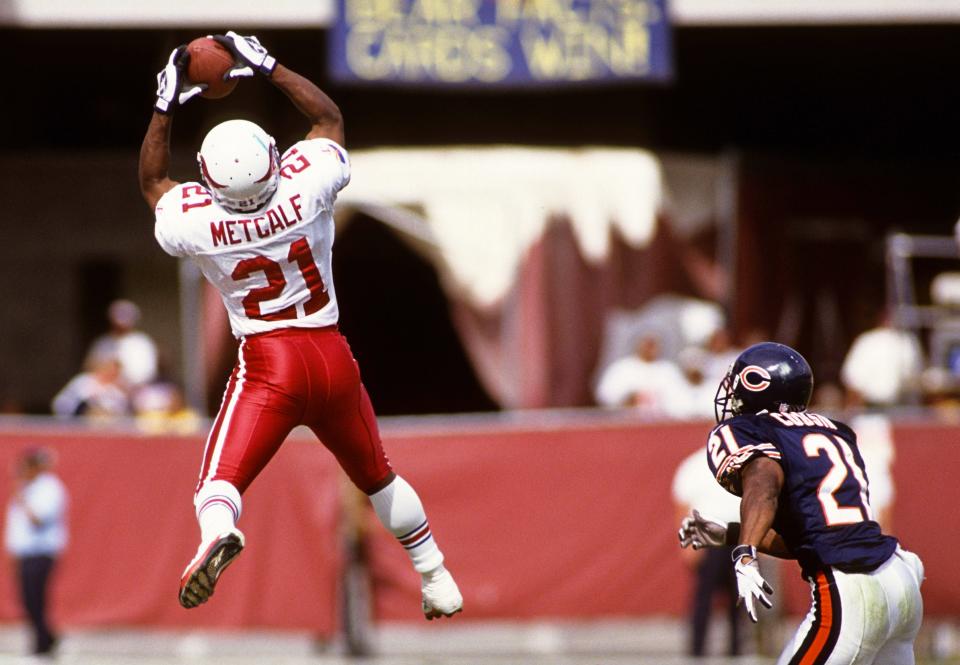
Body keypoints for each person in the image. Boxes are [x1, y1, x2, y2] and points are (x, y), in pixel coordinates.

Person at [138, 31, 462, 619]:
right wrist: (268, 66)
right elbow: (328, 120)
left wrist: (164, 106)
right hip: (331, 353)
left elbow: (153, 184)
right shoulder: (307, 186)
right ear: (271, 156)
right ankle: (435, 573)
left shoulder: (198, 223)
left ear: (210, 181)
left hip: (269, 363)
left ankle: (217, 535)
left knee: (219, 484)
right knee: (378, 477)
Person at [678, 342, 924, 663]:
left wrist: (744, 553)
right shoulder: (838, 432)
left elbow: (763, 477)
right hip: (898, 579)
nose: (733, 401)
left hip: (852, 588)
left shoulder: (750, 430)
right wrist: (731, 533)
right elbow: (808, 539)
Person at [671, 448, 742, 657]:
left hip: (738, 533)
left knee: (739, 596)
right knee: (704, 597)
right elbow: (682, 505)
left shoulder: (743, 462)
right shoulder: (695, 465)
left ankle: (736, 650)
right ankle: (697, 650)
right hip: (708, 535)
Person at [4, 448, 68, 657]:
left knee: (35, 599)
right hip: (25, 553)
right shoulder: (26, 487)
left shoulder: (49, 488)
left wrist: (22, 500)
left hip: (40, 552)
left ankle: (42, 645)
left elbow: (38, 520)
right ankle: (47, 638)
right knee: (28, 600)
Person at [86, 299, 159, 389]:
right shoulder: (103, 342)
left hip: (137, 390)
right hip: (105, 387)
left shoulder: (142, 342)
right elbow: (92, 367)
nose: (120, 325)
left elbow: (146, 374)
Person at [50, 352, 130, 418]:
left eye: (114, 372)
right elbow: (61, 403)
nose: (110, 373)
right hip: (75, 423)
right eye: (109, 369)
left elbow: (119, 414)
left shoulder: (116, 392)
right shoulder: (82, 381)